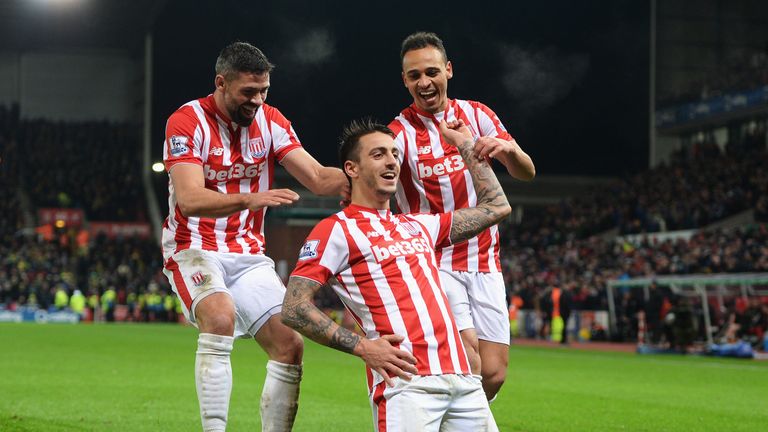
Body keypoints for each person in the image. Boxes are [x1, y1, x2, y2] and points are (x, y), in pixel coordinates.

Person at [161, 41, 348, 432]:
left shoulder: (271, 120)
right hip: (193, 247)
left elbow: (316, 177)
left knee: (290, 344)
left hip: (247, 254)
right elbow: (191, 200)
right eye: (248, 92)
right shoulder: (186, 121)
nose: (258, 101)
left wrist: (364, 175)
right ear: (221, 83)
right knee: (219, 315)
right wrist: (250, 197)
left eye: (264, 91)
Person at [282, 118, 511, 431]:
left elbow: (498, 207)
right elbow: (294, 307)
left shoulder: (419, 225)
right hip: (408, 385)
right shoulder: (335, 230)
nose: (391, 161)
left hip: (465, 383)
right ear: (352, 168)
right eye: (378, 154)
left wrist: (466, 146)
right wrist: (362, 347)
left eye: (394, 153)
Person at [387, 32, 535, 404]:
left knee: (494, 374)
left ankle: (447, 422)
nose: (424, 82)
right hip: (436, 262)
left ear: (448, 71)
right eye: (415, 75)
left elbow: (526, 172)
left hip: (485, 261)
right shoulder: (398, 134)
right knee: (469, 363)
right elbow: (375, 183)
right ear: (404, 80)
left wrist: (507, 149)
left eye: (432, 72)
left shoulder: (478, 115)